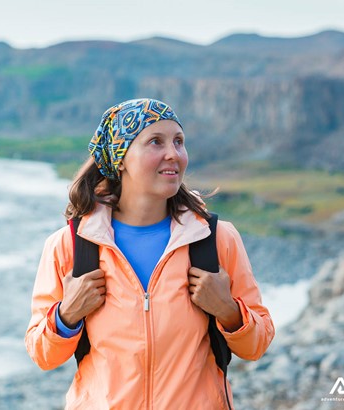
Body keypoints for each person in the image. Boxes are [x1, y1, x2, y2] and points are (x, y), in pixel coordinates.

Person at [25, 98, 275, 409]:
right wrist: (67, 315)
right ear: (121, 159)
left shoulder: (216, 239)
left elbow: (257, 344)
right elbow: (42, 354)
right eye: (155, 141)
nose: (174, 153)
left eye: (179, 142)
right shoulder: (71, 246)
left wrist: (227, 310)